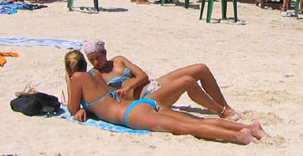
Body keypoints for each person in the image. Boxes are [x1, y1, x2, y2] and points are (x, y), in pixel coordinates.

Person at [64, 51, 266, 144]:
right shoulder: (95, 75)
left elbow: (73, 108)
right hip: (142, 104)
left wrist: (69, 82)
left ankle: (238, 136)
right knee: (195, 120)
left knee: (190, 127)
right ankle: (250, 127)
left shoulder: (77, 79)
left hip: (132, 114)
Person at [82, 39, 241, 118]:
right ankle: (220, 111)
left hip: (152, 85)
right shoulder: (96, 75)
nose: (96, 63)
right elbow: (93, 99)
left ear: (105, 53)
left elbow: (143, 76)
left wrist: (127, 87)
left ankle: (224, 106)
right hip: (144, 100)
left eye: (97, 58)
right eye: (92, 60)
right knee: (187, 82)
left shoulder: (119, 60)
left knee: (201, 68)